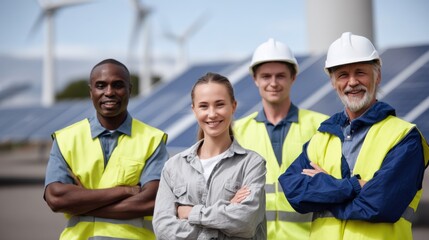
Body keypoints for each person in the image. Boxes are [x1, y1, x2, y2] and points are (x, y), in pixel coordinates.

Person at [279, 32, 429, 240]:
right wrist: (356, 185)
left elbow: (379, 204)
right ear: (333, 82)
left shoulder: (405, 137)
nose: (352, 82)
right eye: (342, 75)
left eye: (360, 73)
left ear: (377, 76)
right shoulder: (321, 137)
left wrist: (325, 189)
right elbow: (294, 191)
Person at [43, 58, 168, 239]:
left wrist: (81, 203)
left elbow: (150, 201)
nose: (109, 92)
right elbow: (56, 199)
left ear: (129, 90)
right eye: (101, 86)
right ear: (91, 92)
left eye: (117, 85)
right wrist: (124, 191)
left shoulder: (152, 140)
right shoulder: (65, 139)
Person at [233, 38, 328, 239]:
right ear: (255, 79)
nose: (273, 83)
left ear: (293, 78)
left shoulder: (321, 127)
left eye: (281, 76)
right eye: (266, 76)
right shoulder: (237, 130)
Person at [153, 72, 267, 239]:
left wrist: (191, 213)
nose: (212, 114)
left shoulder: (252, 164)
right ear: (194, 110)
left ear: (233, 106)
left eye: (219, 104)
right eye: (204, 106)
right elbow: (163, 229)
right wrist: (225, 213)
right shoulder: (174, 167)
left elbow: (244, 222)